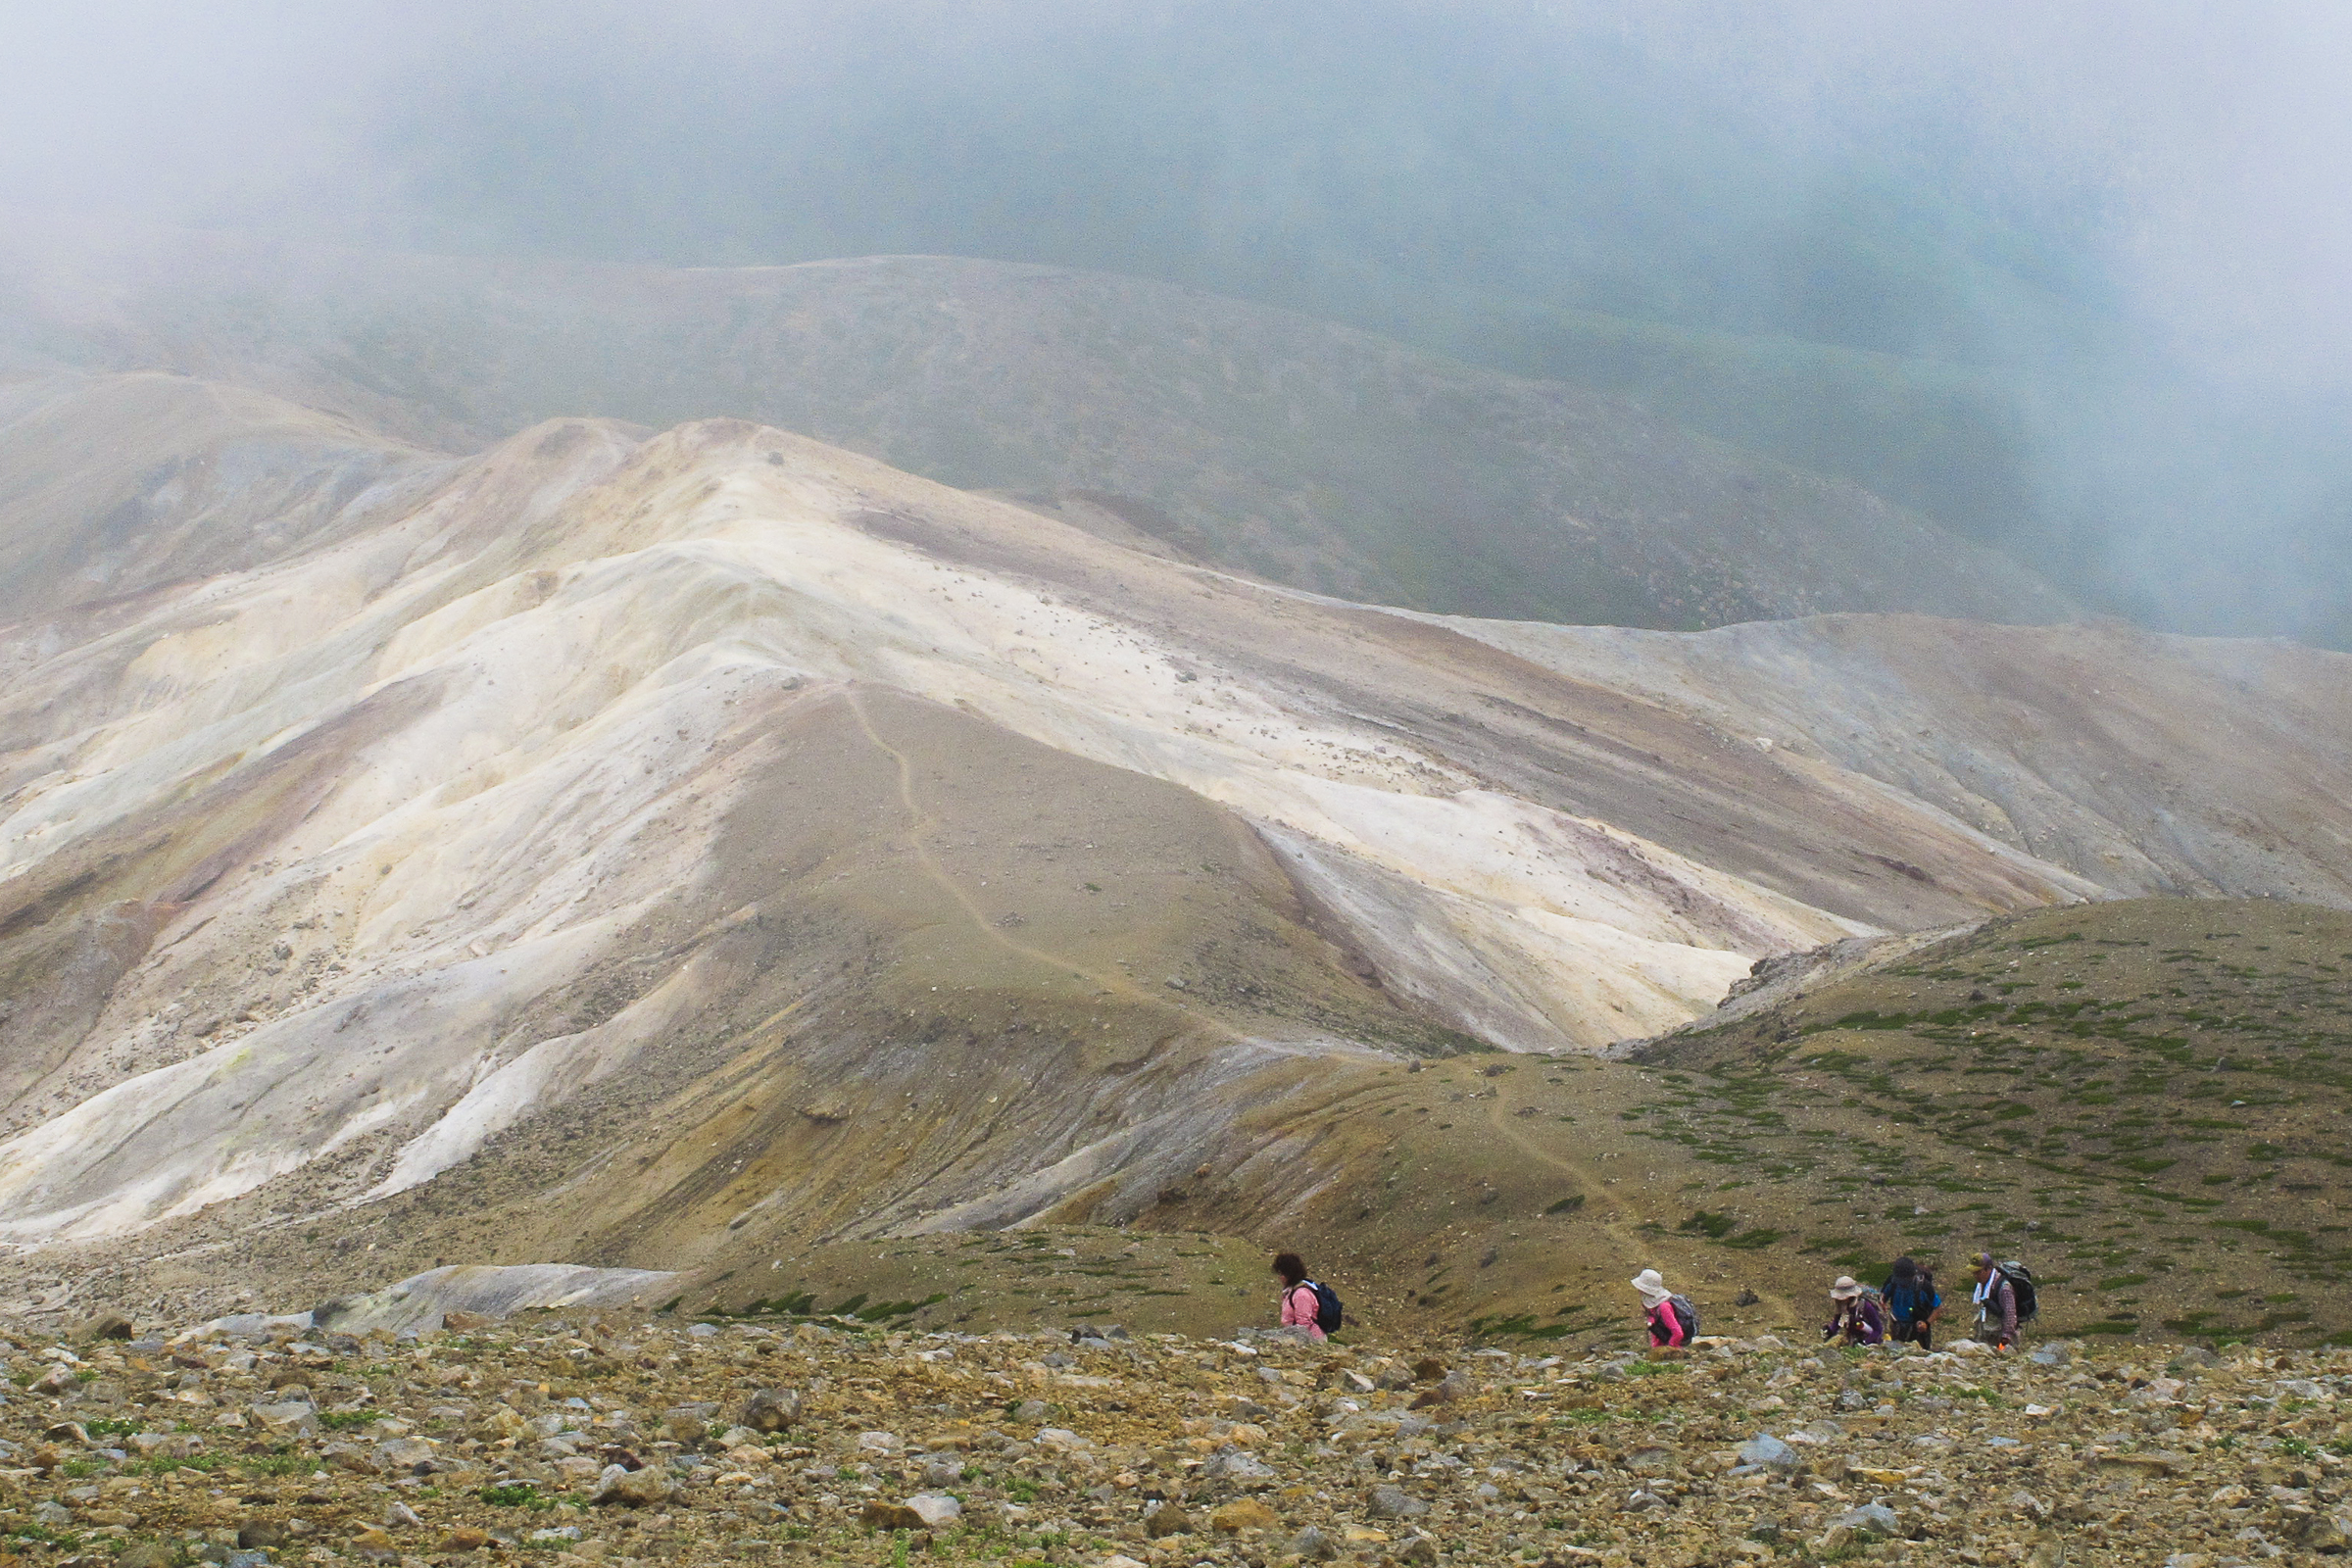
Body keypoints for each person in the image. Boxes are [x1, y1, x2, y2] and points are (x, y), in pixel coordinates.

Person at [1881, 1256, 1941, 1348]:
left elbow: (1938, 1307)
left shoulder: (1924, 1287)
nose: (1902, 1284)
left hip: (1918, 1330)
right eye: (1900, 1281)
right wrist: (1882, 1305)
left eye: (1905, 1281)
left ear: (1912, 1276)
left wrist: (1927, 1323)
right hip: (1896, 1326)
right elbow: (1882, 1297)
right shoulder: (1892, 1281)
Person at [1631, 1268, 1692, 1348]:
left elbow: (1678, 1333)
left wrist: (1669, 1349)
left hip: (1668, 1354)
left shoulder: (1664, 1307)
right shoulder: (1653, 1309)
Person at [1971, 1251, 2020, 1350]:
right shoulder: (1981, 1286)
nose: (1975, 1275)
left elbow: (2010, 1314)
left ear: (1988, 1269)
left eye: (1978, 1272)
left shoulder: (2004, 1288)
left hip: (2002, 1338)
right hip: (1988, 1334)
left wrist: (2006, 1338)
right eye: (1974, 1272)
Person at [1272, 1252, 1326, 1341]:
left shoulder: (1301, 1294)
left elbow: (1303, 1324)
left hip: (1311, 1340)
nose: (1280, 1277)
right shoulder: (1291, 1292)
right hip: (1296, 1338)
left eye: (1282, 1274)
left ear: (1289, 1275)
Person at [1823, 1276, 1887, 1346]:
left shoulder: (1866, 1307)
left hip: (1870, 1344)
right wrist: (1829, 1331)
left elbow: (1878, 1330)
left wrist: (1865, 1342)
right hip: (1853, 1341)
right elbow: (1837, 1322)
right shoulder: (1842, 1305)